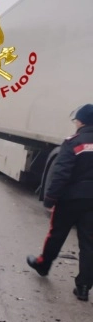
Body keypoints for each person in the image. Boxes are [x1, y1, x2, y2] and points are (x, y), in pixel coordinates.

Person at [27, 103, 93, 301]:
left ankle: (43, 265)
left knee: (56, 234)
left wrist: (50, 198)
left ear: (80, 121)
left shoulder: (74, 141)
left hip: (70, 199)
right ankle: (83, 287)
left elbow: (61, 173)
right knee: (89, 243)